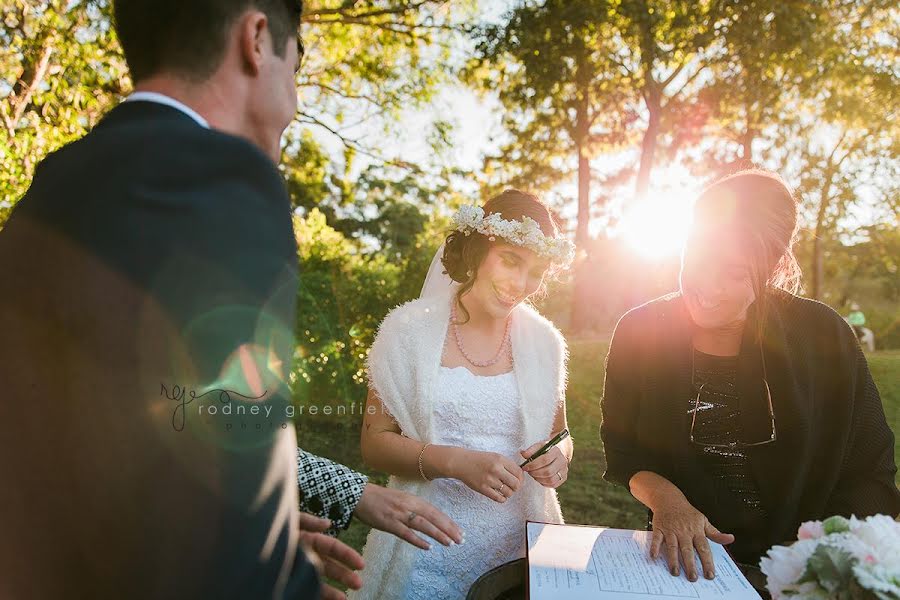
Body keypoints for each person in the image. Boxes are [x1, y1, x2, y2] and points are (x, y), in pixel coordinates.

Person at [0, 1, 458, 598]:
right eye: (294, 68)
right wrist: (278, 575)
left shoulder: (55, 183)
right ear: (257, 37)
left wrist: (272, 537)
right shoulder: (222, 177)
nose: (293, 102)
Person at [600, 169, 900, 582]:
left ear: (773, 266)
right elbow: (624, 454)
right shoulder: (639, 331)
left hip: (802, 567)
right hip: (683, 566)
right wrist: (667, 501)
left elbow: (869, 471)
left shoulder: (823, 334)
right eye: (697, 259)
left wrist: (814, 563)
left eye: (735, 273)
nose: (706, 287)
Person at [351, 190, 576, 599]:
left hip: (517, 553)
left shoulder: (546, 344)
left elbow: (561, 436)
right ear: (477, 249)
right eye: (510, 260)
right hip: (424, 545)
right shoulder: (406, 331)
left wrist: (560, 458)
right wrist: (454, 462)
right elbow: (374, 442)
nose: (521, 284)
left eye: (536, 271)